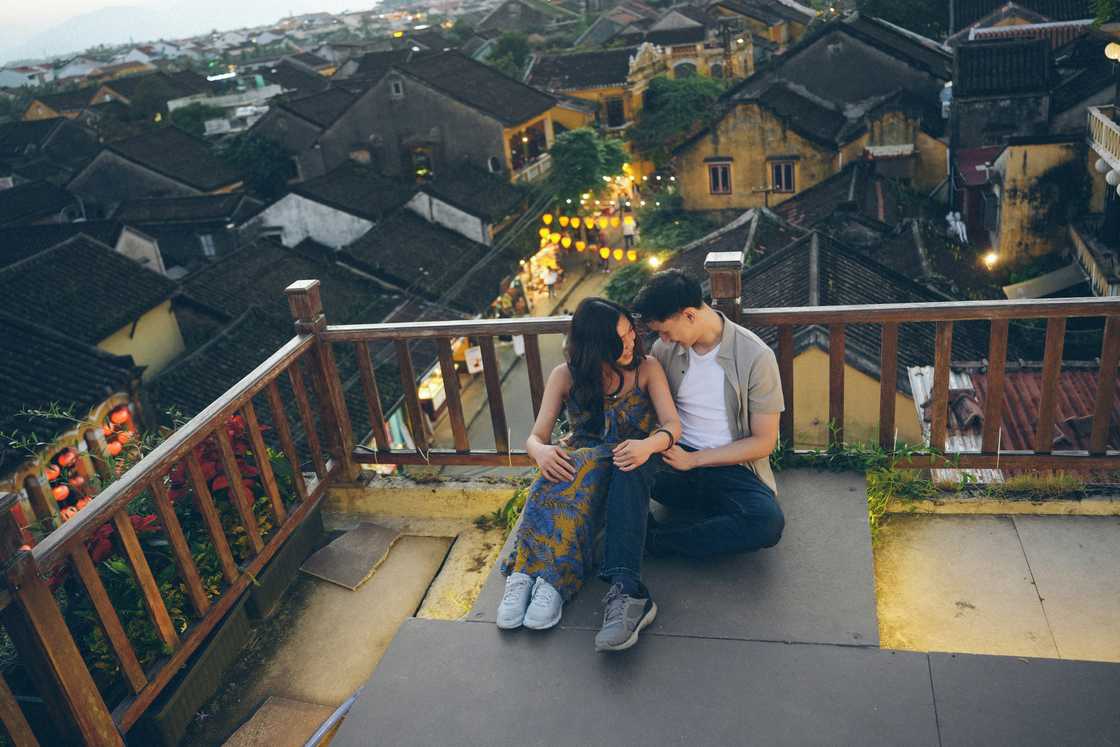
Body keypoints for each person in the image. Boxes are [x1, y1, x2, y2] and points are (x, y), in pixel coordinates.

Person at [497, 298, 681, 653]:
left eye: (630, 334)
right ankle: (523, 578)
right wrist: (541, 451)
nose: (629, 344)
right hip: (580, 464)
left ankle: (552, 582)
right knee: (558, 467)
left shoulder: (647, 369)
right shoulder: (565, 376)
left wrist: (651, 445)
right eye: (619, 340)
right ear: (594, 345)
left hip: (630, 464)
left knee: (572, 469)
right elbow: (536, 437)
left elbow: (673, 425)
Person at [613, 268, 785, 565]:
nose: (663, 339)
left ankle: (655, 541)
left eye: (666, 330)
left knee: (767, 522)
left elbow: (764, 441)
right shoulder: (664, 350)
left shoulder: (756, 356)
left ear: (690, 315)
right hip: (671, 459)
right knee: (617, 463)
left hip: (729, 467)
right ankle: (695, 528)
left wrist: (694, 460)